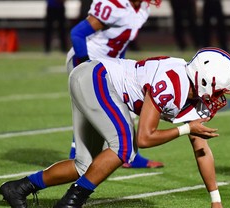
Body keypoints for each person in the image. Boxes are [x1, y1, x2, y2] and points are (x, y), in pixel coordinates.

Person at [0, 47, 230, 208]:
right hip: (97, 78)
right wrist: (186, 128)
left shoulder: (192, 90)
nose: (219, 98)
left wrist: (215, 201)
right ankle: (69, 205)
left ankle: (19, 188)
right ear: (203, 79)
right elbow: (145, 138)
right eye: (218, 91)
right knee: (124, 148)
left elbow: (201, 148)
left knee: (86, 166)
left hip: (94, 81)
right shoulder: (172, 83)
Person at [66, 0, 163, 168]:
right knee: (88, 111)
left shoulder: (142, 9)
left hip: (109, 66)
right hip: (85, 60)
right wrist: (85, 66)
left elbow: (121, 45)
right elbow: (77, 34)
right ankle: (76, 157)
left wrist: (122, 67)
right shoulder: (113, 5)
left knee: (127, 105)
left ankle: (130, 156)